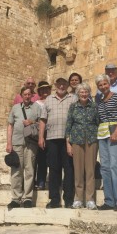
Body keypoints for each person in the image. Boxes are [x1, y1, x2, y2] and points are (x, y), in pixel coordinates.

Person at [38, 77, 76, 208]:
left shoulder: (73, 98)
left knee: (69, 169)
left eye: (64, 84)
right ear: (55, 85)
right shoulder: (49, 100)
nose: (61, 86)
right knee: (54, 169)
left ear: (67, 85)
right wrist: (41, 137)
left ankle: (69, 199)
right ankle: (54, 199)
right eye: (59, 84)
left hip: (68, 139)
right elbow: (43, 120)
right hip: (52, 139)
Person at [95, 74, 117, 211]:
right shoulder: (100, 101)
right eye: (100, 85)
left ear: (109, 84)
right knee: (105, 167)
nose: (103, 87)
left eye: (105, 84)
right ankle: (109, 201)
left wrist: (116, 132)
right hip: (102, 134)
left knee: (114, 165)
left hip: (114, 132)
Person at [6, 87, 41, 209]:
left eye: (29, 94)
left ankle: (27, 198)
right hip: (17, 143)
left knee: (30, 170)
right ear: (21, 95)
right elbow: (10, 126)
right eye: (24, 94)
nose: (27, 96)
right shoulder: (15, 108)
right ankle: (16, 198)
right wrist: (8, 143)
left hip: (31, 143)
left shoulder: (37, 107)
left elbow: (42, 124)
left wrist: (31, 122)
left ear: (32, 95)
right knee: (16, 171)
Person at [65, 82, 99, 210]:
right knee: (78, 170)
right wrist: (68, 144)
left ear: (89, 93)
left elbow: (97, 122)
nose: (84, 94)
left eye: (86, 92)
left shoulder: (94, 106)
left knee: (90, 170)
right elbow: (68, 125)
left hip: (91, 140)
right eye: (81, 92)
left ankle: (90, 199)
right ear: (77, 94)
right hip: (77, 140)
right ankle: (78, 198)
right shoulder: (73, 107)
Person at [34, 81, 52, 190]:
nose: (45, 91)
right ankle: (41, 181)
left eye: (47, 89)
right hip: (42, 133)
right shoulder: (36, 104)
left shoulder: (53, 100)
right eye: (42, 89)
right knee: (41, 159)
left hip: (53, 133)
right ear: (40, 91)